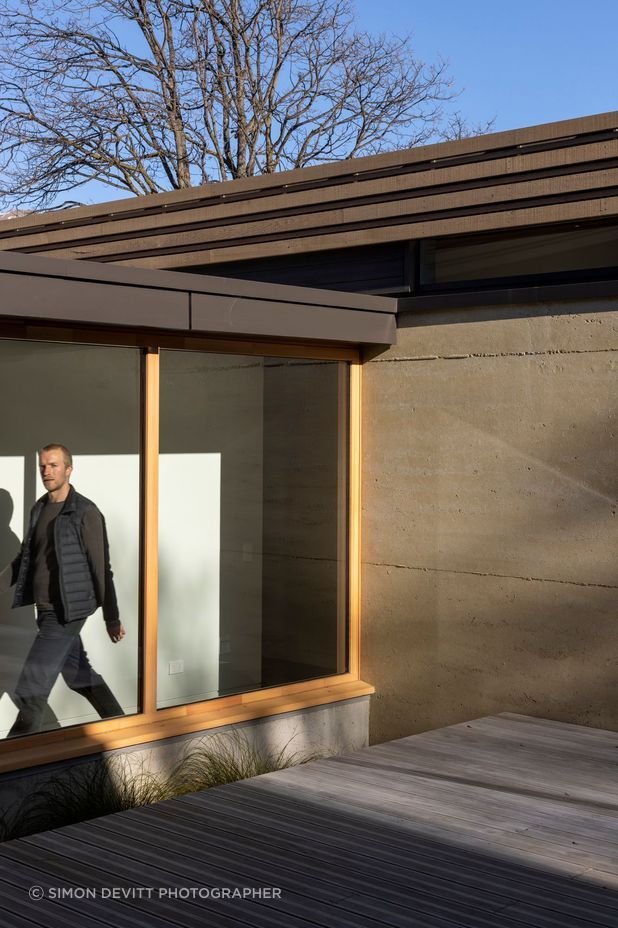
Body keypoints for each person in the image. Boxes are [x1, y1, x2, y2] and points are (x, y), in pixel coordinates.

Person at [0, 444, 125, 737]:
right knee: (79, 676)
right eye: (43, 466)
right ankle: (122, 728)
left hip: (67, 612)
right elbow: (23, 561)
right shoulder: (39, 509)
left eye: (54, 465)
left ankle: (11, 764)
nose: (47, 471)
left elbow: (101, 568)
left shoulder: (85, 512)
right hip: (44, 610)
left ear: (68, 469)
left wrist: (112, 617)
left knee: (30, 688)